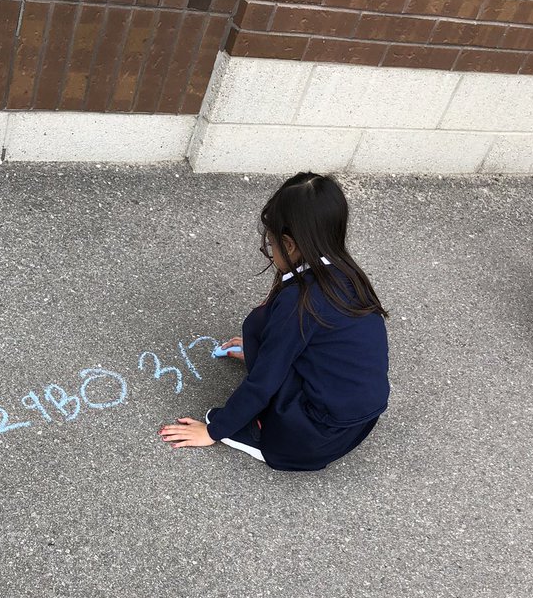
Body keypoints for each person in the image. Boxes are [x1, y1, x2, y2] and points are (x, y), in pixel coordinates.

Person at [159, 172, 389, 472]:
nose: (269, 249)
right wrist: (263, 348)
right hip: (358, 419)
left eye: (270, 243)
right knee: (266, 331)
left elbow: (263, 381)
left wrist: (214, 431)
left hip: (314, 434)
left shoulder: (300, 303)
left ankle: (261, 434)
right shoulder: (347, 273)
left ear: (290, 244)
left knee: (263, 333)